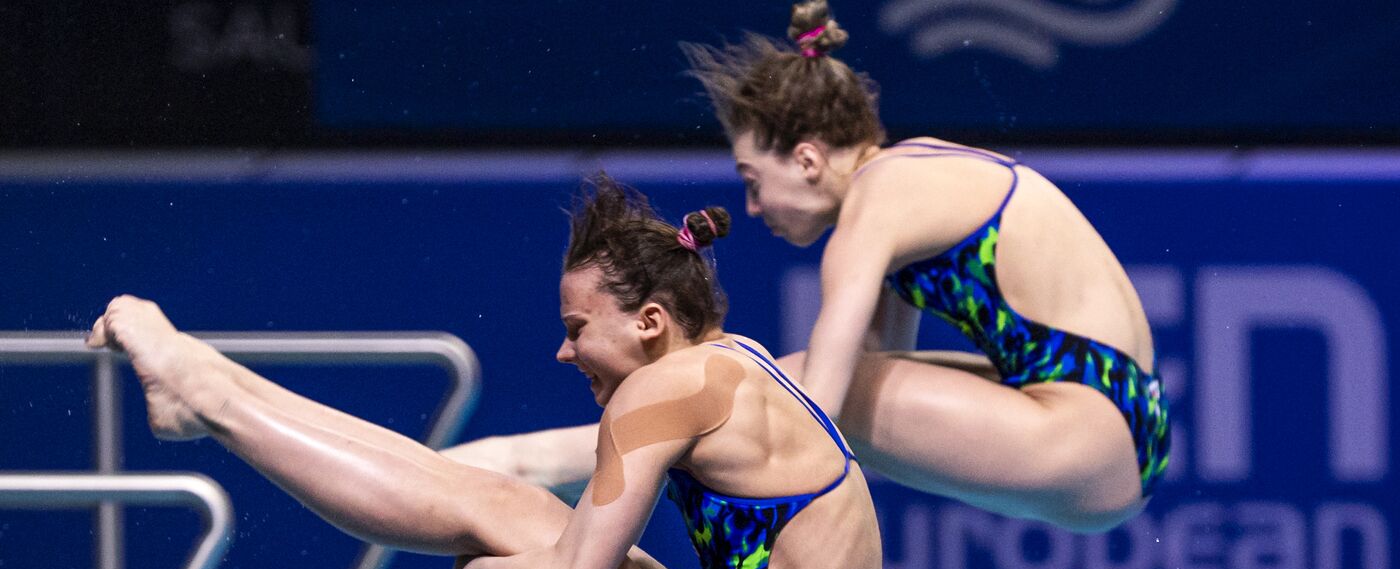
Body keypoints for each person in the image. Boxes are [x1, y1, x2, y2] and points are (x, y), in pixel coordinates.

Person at [86, 174, 882, 569]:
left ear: (649, 322)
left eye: (577, 327)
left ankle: (211, 400)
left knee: (515, 519)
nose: (563, 350)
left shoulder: (669, 387)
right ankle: (211, 388)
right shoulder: (740, 367)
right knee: (518, 514)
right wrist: (512, 565)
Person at [448, 1, 1170, 534]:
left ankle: (534, 461)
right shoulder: (911, 181)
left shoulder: (879, 200)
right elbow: (879, 365)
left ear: (807, 159)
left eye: (753, 180)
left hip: (1090, 432)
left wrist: (700, 436)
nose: (753, 209)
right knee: (790, 385)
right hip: (1112, 426)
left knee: (770, 390)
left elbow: (820, 403)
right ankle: (555, 461)